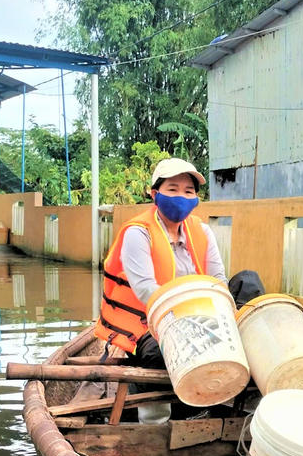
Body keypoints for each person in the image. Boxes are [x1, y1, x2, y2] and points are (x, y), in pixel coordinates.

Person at [94, 157, 228, 369]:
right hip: (148, 326)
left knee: (247, 282)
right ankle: (153, 394)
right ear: (155, 195)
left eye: (188, 191)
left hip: (200, 318)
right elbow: (147, 291)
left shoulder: (202, 231)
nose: (181, 196)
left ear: (195, 198)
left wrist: (216, 317)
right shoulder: (138, 233)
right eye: (172, 189)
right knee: (163, 354)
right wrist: (187, 323)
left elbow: (218, 279)